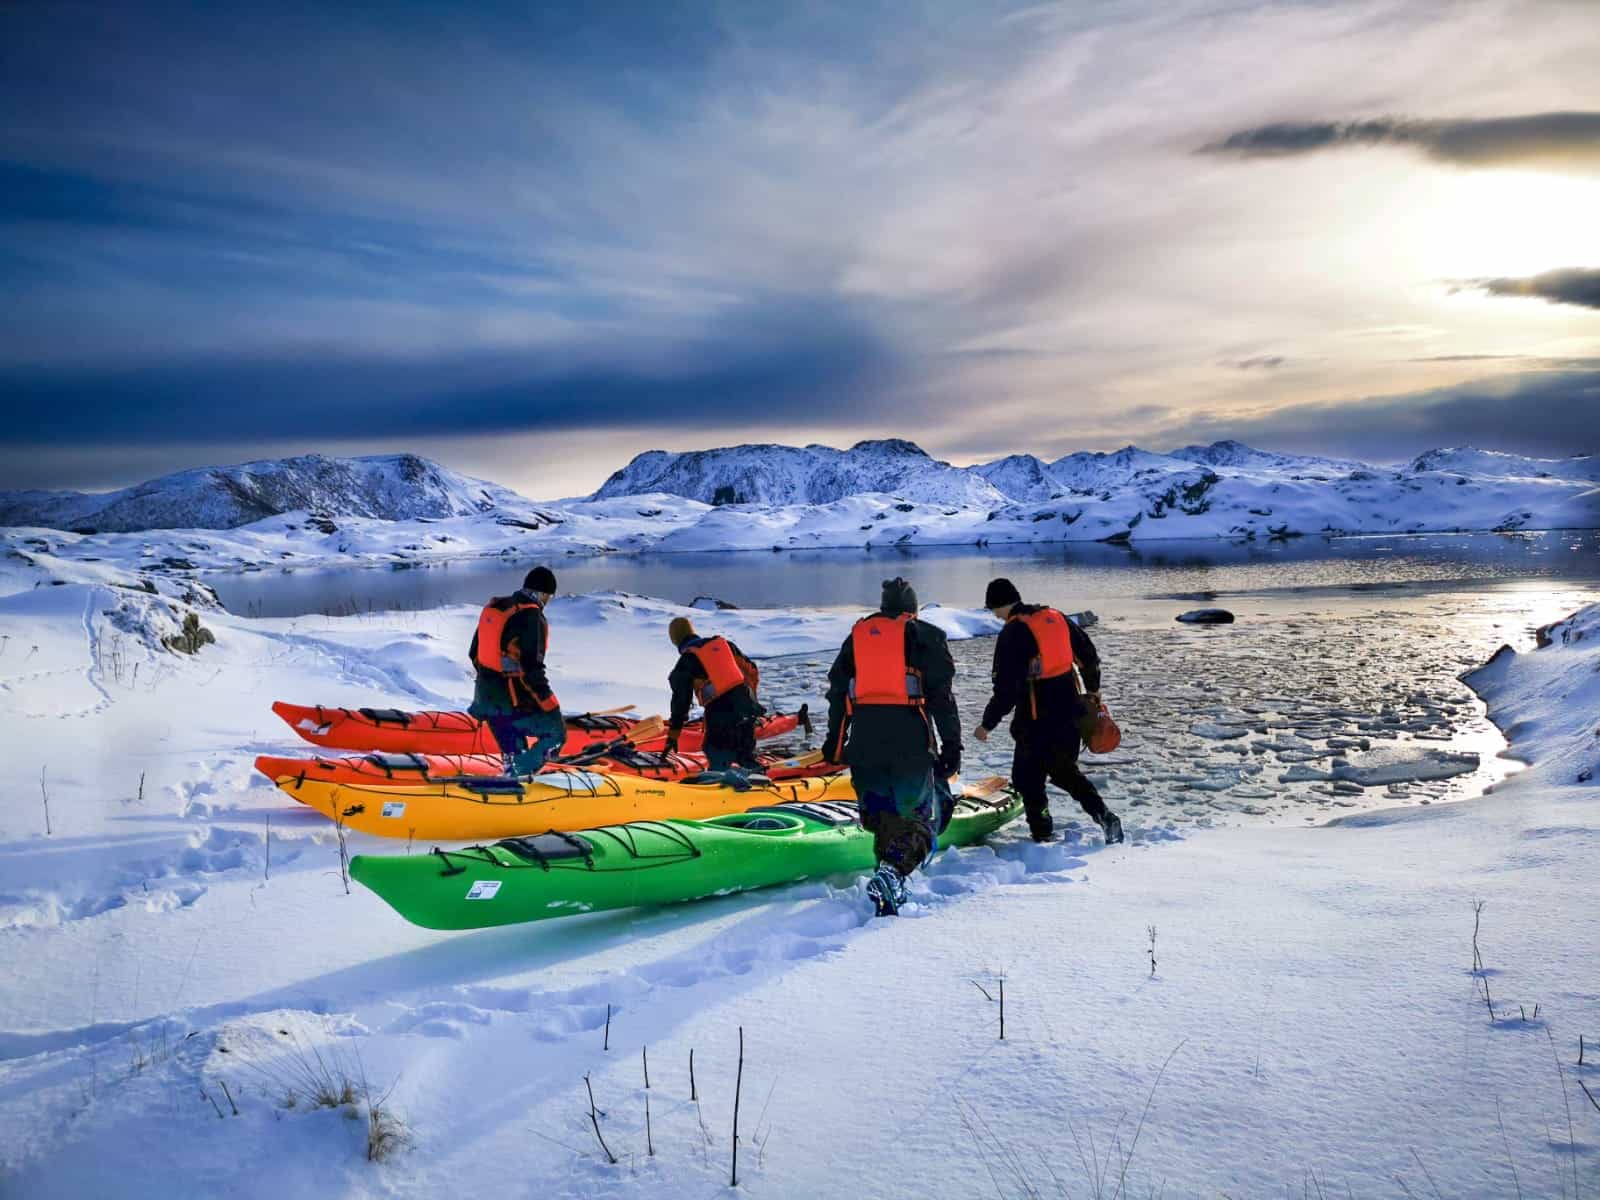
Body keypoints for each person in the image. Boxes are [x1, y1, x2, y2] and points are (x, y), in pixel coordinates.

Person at [824, 577, 962, 916]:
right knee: (918, 823)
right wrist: (952, 748)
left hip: (865, 744)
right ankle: (892, 873)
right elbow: (942, 701)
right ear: (912, 610)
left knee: (883, 821)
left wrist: (835, 743)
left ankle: (885, 897)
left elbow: (839, 696)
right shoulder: (926, 636)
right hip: (909, 744)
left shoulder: (856, 639)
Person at [974, 577, 1123, 845]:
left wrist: (987, 724)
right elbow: (1088, 655)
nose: (994, 615)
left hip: (1035, 720)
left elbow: (1007, 688)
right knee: (1065, 771)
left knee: (1026, 779)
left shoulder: (1013, 632)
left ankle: (1042, 835)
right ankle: (1105, 816)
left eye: (993, 609)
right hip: (1070, 713)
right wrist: (1094, 690)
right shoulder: (1055, 617)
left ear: (998, 605)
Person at [467, 565, 564, 775]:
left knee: (513, 756)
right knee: (556, 733)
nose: (547, 601)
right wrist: (550, 705)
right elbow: (532, 669)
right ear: (543, 594)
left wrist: (492, 680)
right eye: (549, 596)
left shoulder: (498, 607)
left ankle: (512, 781)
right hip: (511, 702)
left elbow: (474, 653)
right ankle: (518, 775)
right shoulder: (531, 616)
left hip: (485, 699)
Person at [664, 616, 763, 771]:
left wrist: (673, 734)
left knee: (717, 755)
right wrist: (751, 700)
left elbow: (680, 701)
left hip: (720, 713)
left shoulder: (687, 660)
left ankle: (721, 790)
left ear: (676, 640)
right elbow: (751, 669)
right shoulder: (725, 645)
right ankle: (761, 785)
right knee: (745, 755)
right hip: (746, 707)